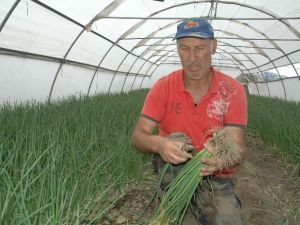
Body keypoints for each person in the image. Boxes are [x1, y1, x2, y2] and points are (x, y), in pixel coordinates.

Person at [131, 17, 248, 225]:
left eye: (200, 48)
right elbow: (138, 136)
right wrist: (160, 144)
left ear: (214, 46)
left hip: (216, 177)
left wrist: (220, 160)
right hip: (176, 174)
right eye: (184, 49)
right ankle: (172, 202)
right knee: (176, 138)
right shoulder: (163, 87)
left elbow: (237, 147)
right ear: (177, 49)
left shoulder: (232, 91)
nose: (192, 58)